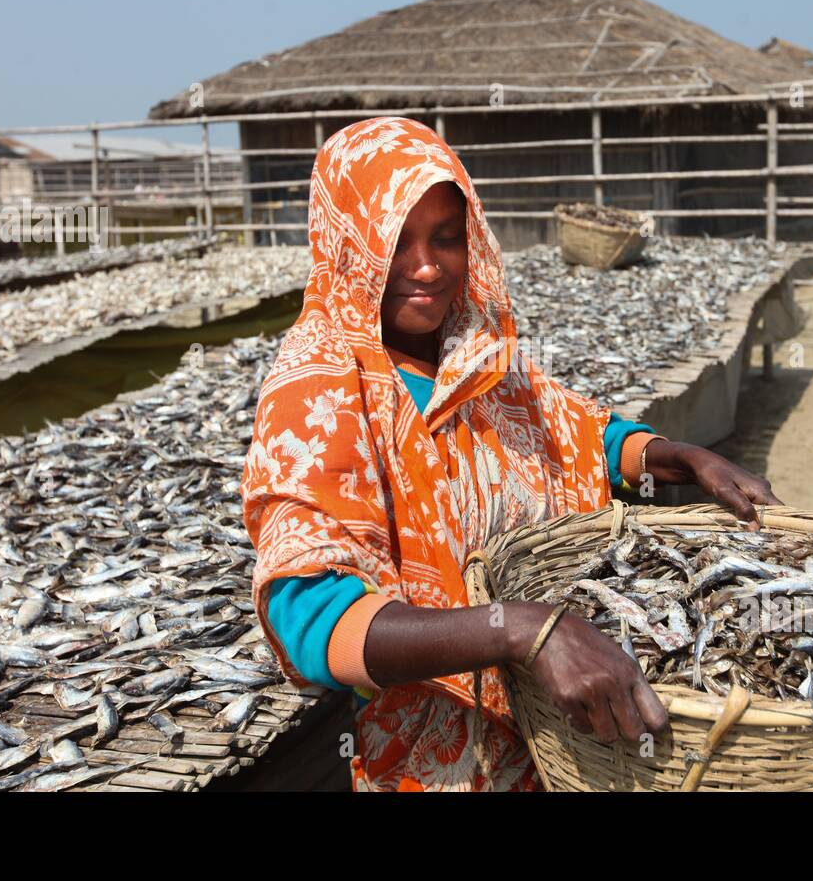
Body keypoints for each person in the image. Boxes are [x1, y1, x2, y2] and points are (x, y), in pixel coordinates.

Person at [241, 116, 780, 791]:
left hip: (558, 733)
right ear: (348, 244)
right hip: (433, 760)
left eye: (446, 238)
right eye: (395, 242)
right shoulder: (317, 386)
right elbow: (307, 615)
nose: (428, 267)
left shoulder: (479, 355)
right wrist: (520, 629)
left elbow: (581, 435)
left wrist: (682, 458)